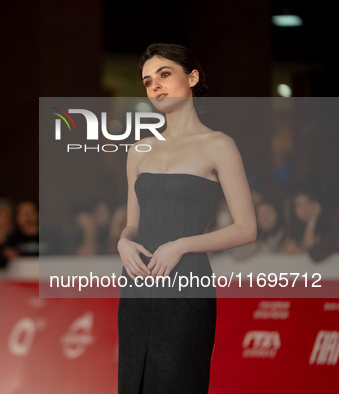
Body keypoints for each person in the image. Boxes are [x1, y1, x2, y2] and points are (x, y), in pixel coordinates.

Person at [116, 43, 257, 393]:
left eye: (165, 74)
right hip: (136, 285)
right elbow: (133, 223)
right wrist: (123, 242)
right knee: (133, 382)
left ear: (192, 77)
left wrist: (181, 246)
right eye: (148, 81)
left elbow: (246, 229)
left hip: (186, 283)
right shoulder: (139, 150)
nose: (156, 86)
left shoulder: (218, 145)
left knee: (177, 382)